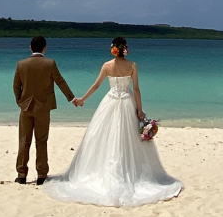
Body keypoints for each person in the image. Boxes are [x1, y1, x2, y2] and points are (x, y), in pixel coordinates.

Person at [41, 37, 182, 207]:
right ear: (125, 49)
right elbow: (136, 89)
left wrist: (82, 99)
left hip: (110, 102)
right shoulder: (132, 65)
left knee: (105, 137)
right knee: (127, 137)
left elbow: (96, 85)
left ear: (113, 49)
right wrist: (139, 109)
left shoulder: (107, 66)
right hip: (127, 102)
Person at [12, 35, 76, 185]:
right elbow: (60, 81)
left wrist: (20, 102)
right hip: (43, 108)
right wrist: (71, 98)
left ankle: (21, 175)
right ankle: (41, 175)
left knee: (24, 141)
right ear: (44, 48)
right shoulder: (50, 63)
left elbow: (16, 86)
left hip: (26, 108)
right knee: (41, 141)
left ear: (30, 48)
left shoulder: (21, 64)